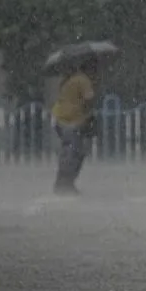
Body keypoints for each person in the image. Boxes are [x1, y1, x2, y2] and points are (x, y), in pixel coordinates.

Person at [51, 58, 98, 195]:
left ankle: (63, 182)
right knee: (74, 152)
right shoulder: (83, 80)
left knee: (70, 151)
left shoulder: (68, 80)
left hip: (60, 119)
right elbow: (89, 99)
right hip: (72, 121)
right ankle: (66, 183)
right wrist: (90, 115)